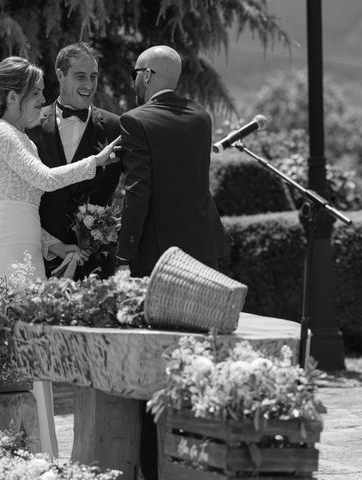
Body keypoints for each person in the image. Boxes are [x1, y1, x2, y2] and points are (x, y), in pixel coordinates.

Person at [0, 56, 119, 457]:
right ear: (11, 97)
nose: (42, 100)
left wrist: (56, 246)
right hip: (4, 244)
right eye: (35, 93)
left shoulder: (23, 138)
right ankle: (14, 447)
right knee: (15, 345)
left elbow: (26, 205)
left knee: (31, 347)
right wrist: (96, 162)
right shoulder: (1, 135)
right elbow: (42, 180)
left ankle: (37, 449)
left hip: (24, 243)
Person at [116, 45, 230, 480]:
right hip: (205, 252)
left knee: (156, 359)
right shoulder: (202, 118)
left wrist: (124, 255)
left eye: (134, 72)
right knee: (201, 354)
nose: (133, 80)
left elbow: (138, 192)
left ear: (146, 76)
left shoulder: (136, 120)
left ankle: (153, 461)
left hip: (161, 260)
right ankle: (200, 455)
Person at [27, 42, 123, 279]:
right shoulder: (32, 125)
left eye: (93, 77)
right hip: (41, 259)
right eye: (80, 76)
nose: (89, 85)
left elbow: (138, 185)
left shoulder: (115, 127)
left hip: (97, 262)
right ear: (60, 75)